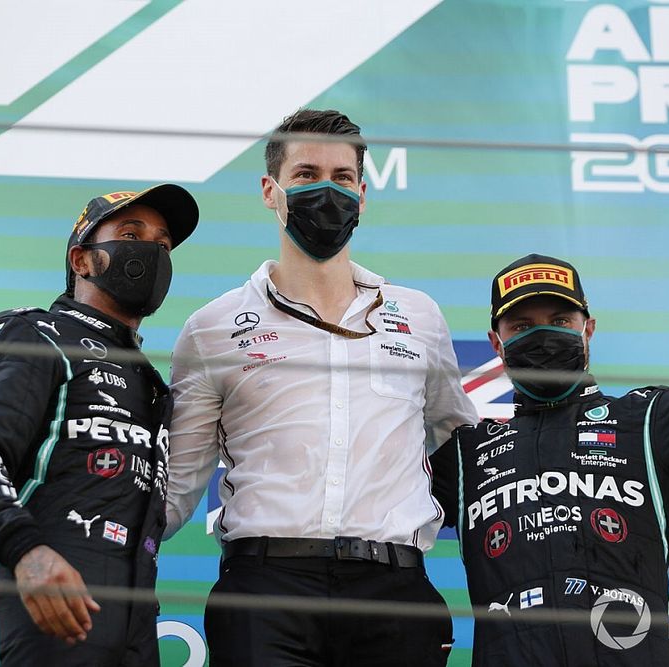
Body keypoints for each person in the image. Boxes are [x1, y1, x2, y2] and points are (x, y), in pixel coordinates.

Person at [167, 108, 479, 666]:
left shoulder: (420, 316)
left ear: (363, 192)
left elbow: (468, 452)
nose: (326, 192)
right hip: (264, 588)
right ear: (271, 190)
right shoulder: (212, 326)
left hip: (395, 589)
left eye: (341, 178)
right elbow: (173, 491)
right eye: (306, 175)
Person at [431, 228, 669, 666]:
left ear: (589, 330)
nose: (543, 336)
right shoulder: (467, 455)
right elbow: (364, 509)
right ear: (496, 344)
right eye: (523, 326)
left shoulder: (650, 419)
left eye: (560, 322)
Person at [0, 184, 200, 666]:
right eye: (130, 233)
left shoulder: (152, 383)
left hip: (134, 630)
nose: (152, 251)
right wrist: (27, 553)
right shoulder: (34, 334)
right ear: (82, 260)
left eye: (163, 244)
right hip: (37, 614)